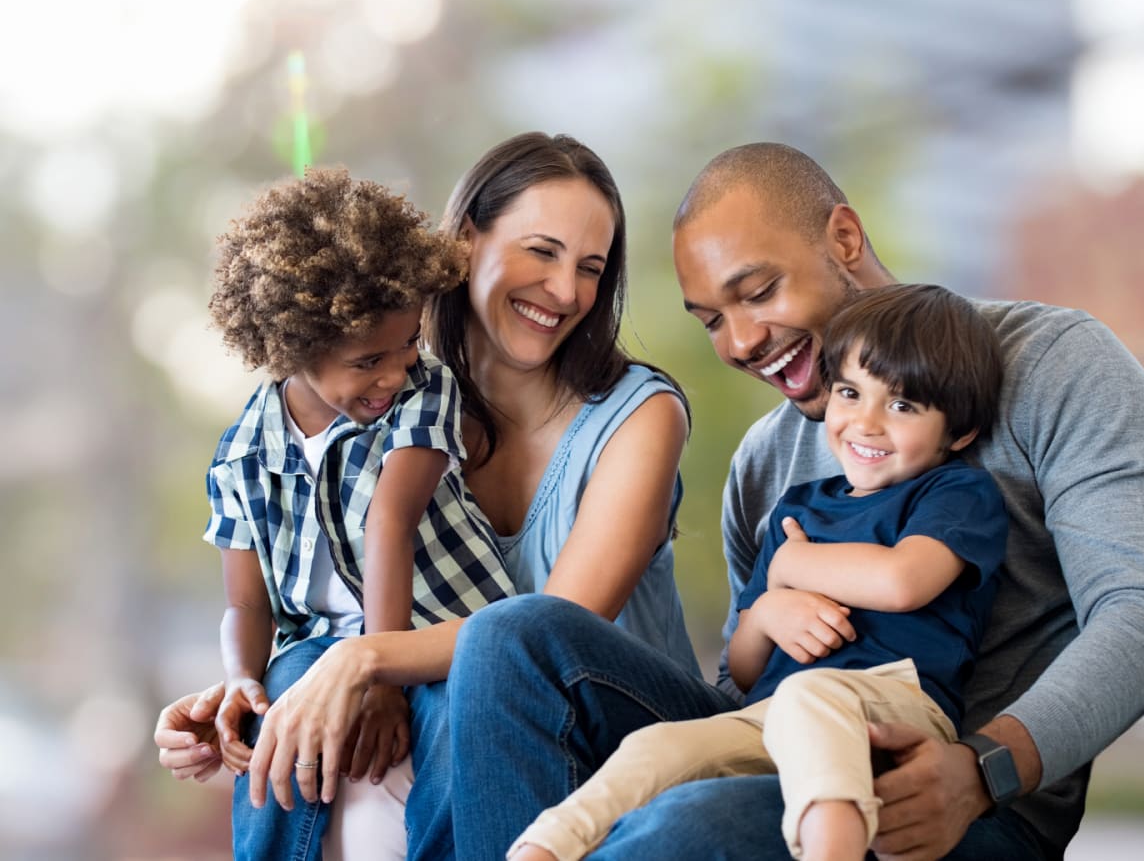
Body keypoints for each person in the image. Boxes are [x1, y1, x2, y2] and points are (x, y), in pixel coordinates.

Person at [437, 141, 1144, 860]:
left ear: (844, 238)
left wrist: (982, 769)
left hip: (962, 803)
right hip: (776, 743)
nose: (740, 342)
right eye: (712, 321)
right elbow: (742, 685)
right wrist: (767, 616)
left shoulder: (1055, 364)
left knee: (687, 823)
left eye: (759, 292)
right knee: (509, 635)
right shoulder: (765, 460)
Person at [153, 132, 702, 860]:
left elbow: (544, 638)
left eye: (590, 269)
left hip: (615, 730)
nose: (567, 291)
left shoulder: (639, 415)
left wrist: (364, 660)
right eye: (542, 252)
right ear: (466, 240)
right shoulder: (381, 397)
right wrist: (240, 691)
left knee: (476, 670)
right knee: (302, 688)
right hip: (470, 726)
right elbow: (311, 590)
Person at [509, 283, 1008, 861]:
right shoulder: (799, 510)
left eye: (902, 406)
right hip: (772, 715)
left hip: (894, 705)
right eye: (850, 393)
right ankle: (543, 848)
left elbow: (903, 582)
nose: (866, 423)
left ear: (959, 432)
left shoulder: (955, 492)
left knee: (808, 695)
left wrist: (795, 565)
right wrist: (769, 610)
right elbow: (745, 670)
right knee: (660, 746)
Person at [201, 166, 516, 859]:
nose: (394, 373)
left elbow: (389, 522)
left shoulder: (424, 391)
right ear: (294, 349)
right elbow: (246, 605)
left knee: (454, 724)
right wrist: (241, 679)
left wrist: (381, 673)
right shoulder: (241, 456)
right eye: (369, 360)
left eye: (408, 343)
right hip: (318, 645)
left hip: (440, 629)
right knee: (276, 716)